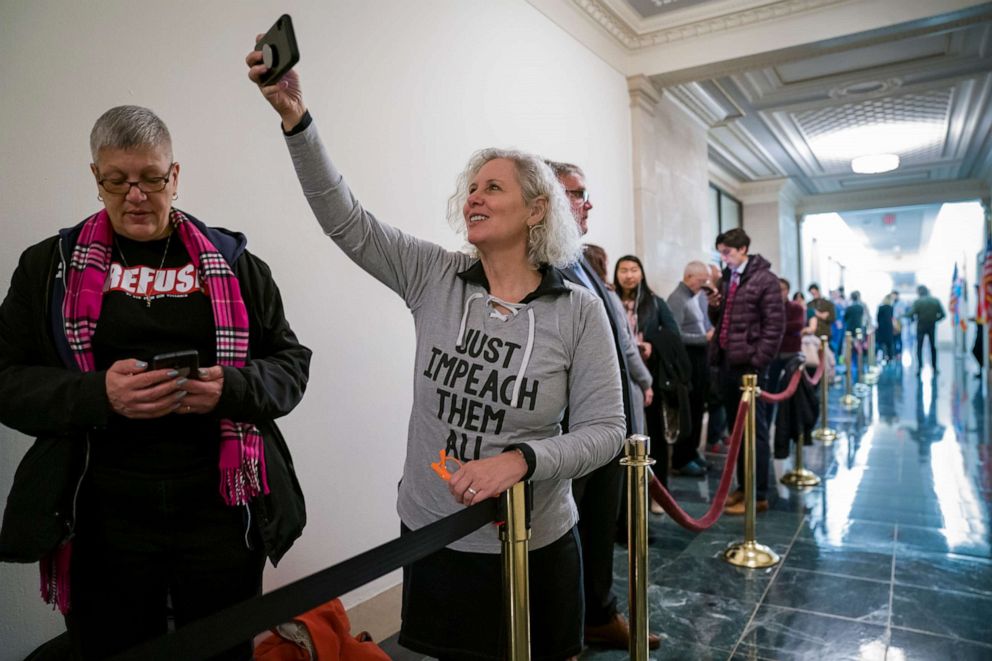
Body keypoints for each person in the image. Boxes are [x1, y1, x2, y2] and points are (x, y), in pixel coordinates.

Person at [247, 56, 627, 661]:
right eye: (471, 187)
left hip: (537, 543)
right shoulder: (436, 276)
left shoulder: (577, 309)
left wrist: (523, 461)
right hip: (434, 537)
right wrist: (297, 118)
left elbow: (607, 432)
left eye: (492, 187)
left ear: (536, 210)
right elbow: (345, 219)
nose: (474, 196)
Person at [0, 105, 312, 660]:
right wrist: (99, 394)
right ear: (96, 178)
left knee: (221, 648)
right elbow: (5, 379)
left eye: (151, 178)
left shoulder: (236, 263)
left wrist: (229, 389)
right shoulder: (51, 266)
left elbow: (290, 365)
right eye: (117, 181)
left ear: (176, 175)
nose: (136, 195)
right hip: (100, 510)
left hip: (220, 508)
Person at [545, 161, 660, 651]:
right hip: (576, 432)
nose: (586, 204)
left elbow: (615, 340)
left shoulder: (580, 260)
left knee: (597, 534)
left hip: (609, 428)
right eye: (576, 194)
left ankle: (599, 614)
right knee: (565, 541)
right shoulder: (543, 261)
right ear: (545, 199)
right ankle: (563, 631)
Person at [706, 228, 784, 515]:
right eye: (721, 253)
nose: (724, 258)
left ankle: (758, 493)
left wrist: (758, 360)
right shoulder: (729, 278)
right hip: (727, 361)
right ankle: (742, 486)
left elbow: (774, 326)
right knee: (736, 430)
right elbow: (725, 319)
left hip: (749, 366)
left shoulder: (766, 280)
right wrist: (714, 307)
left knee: (756, 431)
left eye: (727, 252)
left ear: (743, 249)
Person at [614, 255, 686, 483]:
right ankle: (628, 491)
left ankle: (659, 490)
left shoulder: (655, 302)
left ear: (641, 273)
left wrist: (651, 345)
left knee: (654, 432)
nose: (628, 275)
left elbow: (674, 336)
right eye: (623, 270)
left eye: (633, 269)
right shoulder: (609, 300)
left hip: (652, 375)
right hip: (619, 375)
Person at [664, 260, 714, 477]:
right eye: (702, 281)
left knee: (696, 408)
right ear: (690, 277)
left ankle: (692, 453)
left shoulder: (695, 297)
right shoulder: (677, 298)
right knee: (688, 410)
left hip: (700, 358)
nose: (704, 285)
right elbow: (674, 336)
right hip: (688, 360)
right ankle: (681, 459)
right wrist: (703, 338)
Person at [906, 285, 946, 373]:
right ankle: (935, 368)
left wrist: (904, 315)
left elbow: (910, 314)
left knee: (919, 347)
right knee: (933, 347)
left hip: (920, 326)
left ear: (919, 292)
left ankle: (920, 367)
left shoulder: (918, 301)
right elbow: (943, 315)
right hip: (932, 326)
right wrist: (935, 320)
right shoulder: (935, 301)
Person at [876, 293, 896, 361]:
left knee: (881, 343)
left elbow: (878, 318)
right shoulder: (891, 308)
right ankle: (890, 357)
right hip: (889, 327)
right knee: (889, 344)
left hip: (881, 328)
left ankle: (881, 356)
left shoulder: (881, 308)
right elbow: (892, 318)